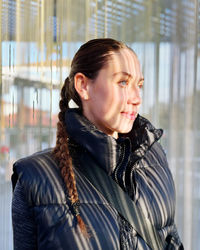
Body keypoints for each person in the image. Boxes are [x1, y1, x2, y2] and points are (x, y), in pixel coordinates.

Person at [11, 38, 184, 250]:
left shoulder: (154, 156)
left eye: (139, 85)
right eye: (123, 82)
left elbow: (172, 242)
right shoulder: (36, 177)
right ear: (83, 85)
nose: (137, 98)